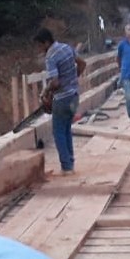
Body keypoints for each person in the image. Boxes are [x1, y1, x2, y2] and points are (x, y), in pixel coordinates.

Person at [34, 28, 86, 175]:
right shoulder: (67, 47)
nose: (39, 49)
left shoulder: (50, 56)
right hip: (74, 95)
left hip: (62, 98)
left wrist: (46, 91)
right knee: (66, 129)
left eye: (39, 45)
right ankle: (70, 162)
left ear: (46, 42)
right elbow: (82, 64)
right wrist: (72, 79)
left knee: (58, 132)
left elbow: (55, 82)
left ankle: (66, 166)